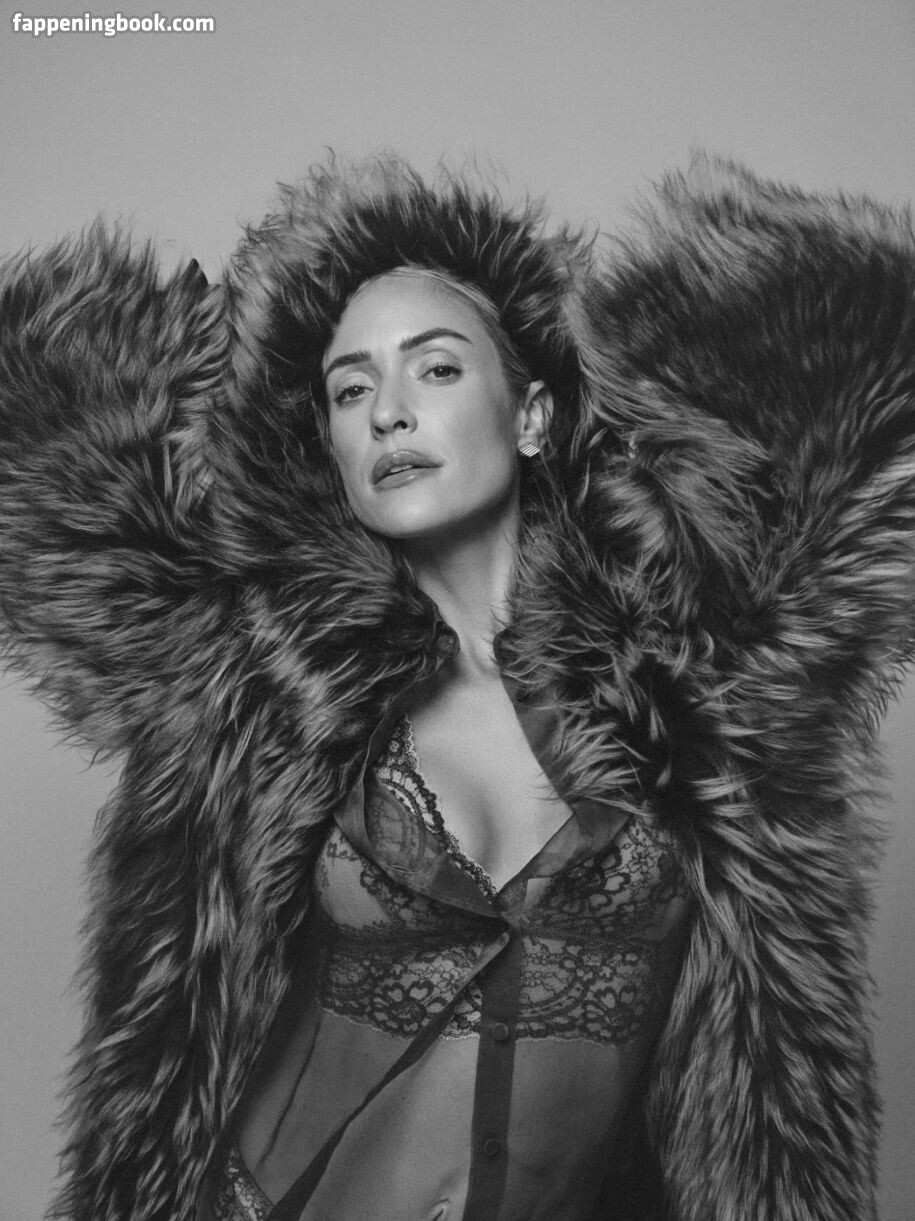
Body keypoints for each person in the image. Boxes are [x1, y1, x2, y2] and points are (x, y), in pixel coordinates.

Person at [1, 153, 913, 1221]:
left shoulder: (700, 678)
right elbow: (41, 421)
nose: (389, 414)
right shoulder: (251, 678)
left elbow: (862, 348)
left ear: (530, 417)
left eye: (434, 370)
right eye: (350, 390)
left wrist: (655, 340)